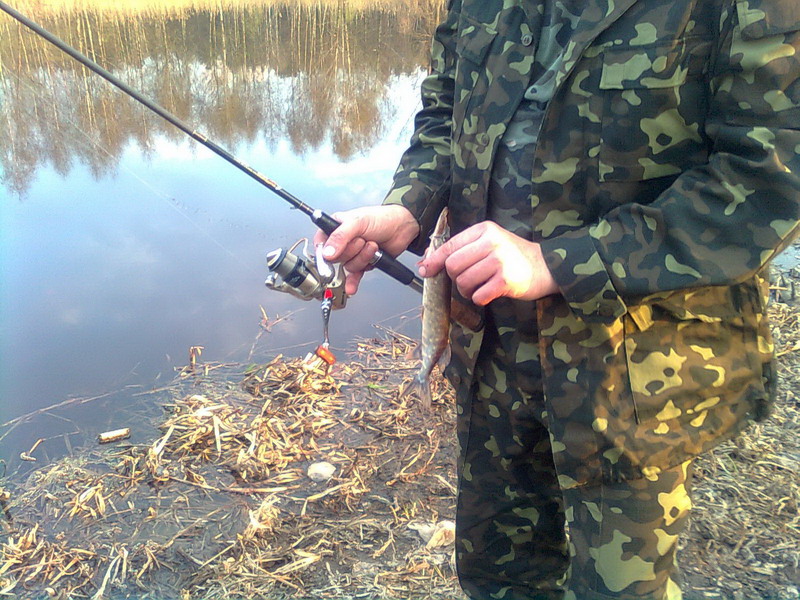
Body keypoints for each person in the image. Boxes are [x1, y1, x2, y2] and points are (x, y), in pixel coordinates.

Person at [315, 0, 800, 598]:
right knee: (499, 578)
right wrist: (408, 205)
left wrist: (559, 262)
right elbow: (446, 114)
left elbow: (772, 178)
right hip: (491, 362)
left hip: (637, 376)